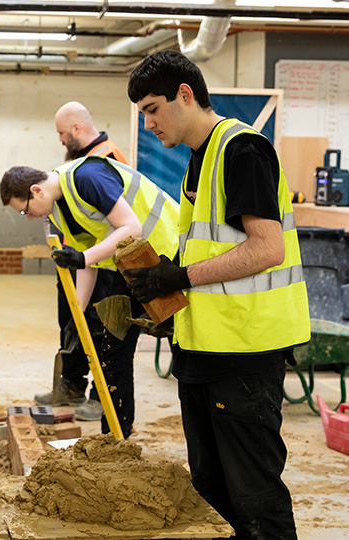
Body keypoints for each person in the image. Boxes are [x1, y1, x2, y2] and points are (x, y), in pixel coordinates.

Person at [126, 50, 310, 540]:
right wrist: (165, 289)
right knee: (212, 490)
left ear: (185, 95)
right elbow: (211, 247)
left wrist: (180, 278)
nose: (148, 124)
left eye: (151, 109)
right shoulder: (198, 159)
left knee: (254, 495)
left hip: (246, 353)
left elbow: (267, 249)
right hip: (206, 348)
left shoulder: (242, 149)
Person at [0, 154, 179, 439]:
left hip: (169, 257)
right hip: (132, 265)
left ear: (36, 190)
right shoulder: (58, 210)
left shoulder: (86, 178)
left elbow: (131, 227)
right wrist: (76, 314)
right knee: (112, 348)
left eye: (26, 211)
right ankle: (116, 436)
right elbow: (87, 264)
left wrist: (82, 258)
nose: (30, 217)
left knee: (185, 353)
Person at [35, 101, 132, 422]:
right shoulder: (78, 159)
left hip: (102, 260)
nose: (60, 139)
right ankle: (72, 384)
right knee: (72, 320)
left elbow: (117, 223)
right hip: (76, 256)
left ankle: (98, 394)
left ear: (76, 129)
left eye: (62, 133)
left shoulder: (105, 158)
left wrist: (87, 257)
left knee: (100, 325)